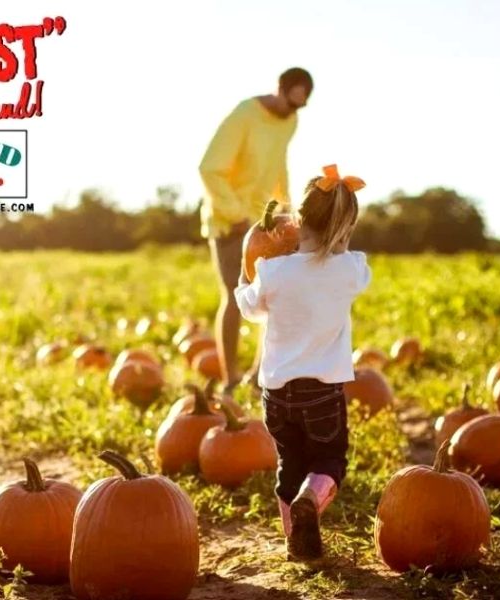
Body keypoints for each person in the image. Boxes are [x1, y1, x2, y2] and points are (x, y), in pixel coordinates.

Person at [233, 164, 370, 560]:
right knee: (328, 459)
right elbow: (353, 272)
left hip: (276, 392)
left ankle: (296, 543)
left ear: (297, 220)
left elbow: (249, 307)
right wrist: (339, 245)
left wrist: (246, 279)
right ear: (344, 229)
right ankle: (311, 498)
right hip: (323, 391)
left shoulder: (272, 271)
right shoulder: (351, 269)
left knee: (288, 464)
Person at [198, 67, 313, 397]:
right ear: (280, 88)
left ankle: (259, 375)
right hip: (229, 221)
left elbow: (279, 165)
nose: (291, 110)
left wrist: (288, 209)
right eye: (289, 101)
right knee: (235, 297)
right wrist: (235, 214)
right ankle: (230, 379)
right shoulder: (245, 114)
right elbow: (209, 168)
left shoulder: (290, 121)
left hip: (266, 222)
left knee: (275, 297)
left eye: (299, 106)